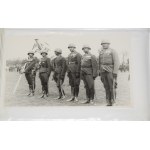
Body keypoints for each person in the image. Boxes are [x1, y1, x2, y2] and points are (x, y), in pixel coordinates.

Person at [98, 40, 120, 106]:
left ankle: (113, 101)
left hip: (110, 70)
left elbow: (116, 62)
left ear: (108, 44)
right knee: (106, 87)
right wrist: (99, 71)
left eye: (105, 43)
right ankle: (108, 101)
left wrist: (115, 72)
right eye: (103, 44)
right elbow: (99, 62)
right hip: (103, 71)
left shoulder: (112, 51)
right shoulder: (101, 52)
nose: (104, 45)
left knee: (112, 86)